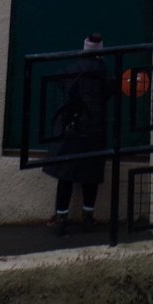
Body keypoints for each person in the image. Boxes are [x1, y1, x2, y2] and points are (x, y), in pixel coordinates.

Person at [45, 33, 111, 236]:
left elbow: (60, 83)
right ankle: (88, 218)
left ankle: (61, 220)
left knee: (66, 176)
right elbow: (109, 92)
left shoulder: (73, 68)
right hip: (95, 130)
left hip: (72, 128)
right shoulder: (103, 72)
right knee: (90, 176)